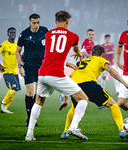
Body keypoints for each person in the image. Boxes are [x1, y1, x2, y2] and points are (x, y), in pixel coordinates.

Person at [25, 10, 89, 141]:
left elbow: (53, 53)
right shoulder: (73, 36)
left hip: (42, 74)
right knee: (83, 99)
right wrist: (77, 53)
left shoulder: (48, 34)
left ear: (55, 22)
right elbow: (76, 49)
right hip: (56, 74)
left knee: (38, 102)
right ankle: (73, 127)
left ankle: (29, 134)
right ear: (67, 22)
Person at [59, 45, 128, 141]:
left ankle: (65, 132)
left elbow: (69, 78)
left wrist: (65, 99)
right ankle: (121, 130)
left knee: (74, 108)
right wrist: (124, 83)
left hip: (75, 86)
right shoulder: (101, 60)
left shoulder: (81, 62)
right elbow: (111, 70)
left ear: (91, 54)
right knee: (113, 105)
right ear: (102, 54)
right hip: (89, 84)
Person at [16, 13, 48, 127]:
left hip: (41, 66)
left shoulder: (45, 31)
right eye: (34, 23)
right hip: (28, 65)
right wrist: (20, 66)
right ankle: (29, 118)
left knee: (39, 92)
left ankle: (33, 118)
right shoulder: (24, 34)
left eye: (38, 22)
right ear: (29, 22)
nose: (36, 25)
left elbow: (49, 47)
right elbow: (17, 51)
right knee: (30, 91)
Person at [59, 29, 95, 103]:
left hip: (86, 66)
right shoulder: (86, 42)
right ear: (87, 35)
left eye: (92, 34)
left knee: (74, 80)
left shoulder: (92, 43)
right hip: (83, 65)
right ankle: (63, 94)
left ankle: (65, 94)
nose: (91, 36)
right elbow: (82, 52)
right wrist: (89, 56)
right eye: (90, 34)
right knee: (73, 81)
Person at [0, 27, 21, 114]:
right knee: (14, 88)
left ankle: (4, 108)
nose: (13, 34)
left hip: (15, 71)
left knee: (16, 89)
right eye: (11, 32)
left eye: (14, 32)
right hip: (7, 71)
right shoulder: (3, 45)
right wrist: (0, 65)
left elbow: (20, 56)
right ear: (8, 34)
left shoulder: (17, 44)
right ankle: (3, 103)